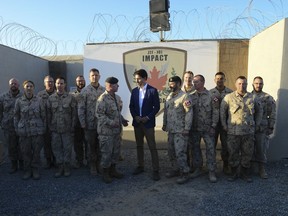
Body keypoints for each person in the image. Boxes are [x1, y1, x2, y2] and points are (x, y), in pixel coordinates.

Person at [220, 76, 262, 183]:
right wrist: (224, 125)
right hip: (233, 132)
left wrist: (256, 125)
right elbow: (222, 112)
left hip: (248, 132)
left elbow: (259, 111)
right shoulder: (228, 97)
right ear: (235, 84)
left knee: (247, 154)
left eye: (244, 84)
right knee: (233, 153)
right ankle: (234, 173)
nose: (241, 86)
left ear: (247, 85)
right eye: (239, 83)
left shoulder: (253, 98)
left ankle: (245, 174)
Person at [96, 77, 129, 183]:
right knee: (107, 153)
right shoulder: (102, 99)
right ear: (110, 86)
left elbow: (117, 113)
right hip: (106, 133)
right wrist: (111, 122)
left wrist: (122, 120)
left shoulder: (117, 98)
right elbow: (99, 114)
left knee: (115, 152)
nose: (118, 86)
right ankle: (105, 173)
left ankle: (113, 170)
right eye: (116, 85)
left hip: (116, 132)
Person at [129, 69, 160, 181]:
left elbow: (156, 107)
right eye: (136, 78)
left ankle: (156, 170)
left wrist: (148, 117)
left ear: (145, 78)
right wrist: (135, 116)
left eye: (139, 78)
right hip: (137, 123)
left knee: (152, 146)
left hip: (148, 123)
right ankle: (140, 166)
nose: (137, 80)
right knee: (139, 145)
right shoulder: (134, 91)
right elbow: (131, 106)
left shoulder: (152, 90)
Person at [162, 76, 193, 184]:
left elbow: (189, 113)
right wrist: (164, 124)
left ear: (179, 84)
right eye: (170, 83)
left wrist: (187, 128)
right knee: (171, 151)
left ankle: (185, 173)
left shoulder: (185, 96)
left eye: (173, 83)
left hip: (181, 130)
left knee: (180, 152)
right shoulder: (169, 96)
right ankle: (175, 169)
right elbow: (166, 111)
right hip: (171, 130)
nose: (171, 85)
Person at [14, 80, 46, 180]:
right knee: (25, 152)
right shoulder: (19, 101)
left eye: (31, 86)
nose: (29, 88)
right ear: (24, 88)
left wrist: (44, 128)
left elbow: (43, 115)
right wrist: (17, 129)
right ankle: (27, 170)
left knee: (36, 152)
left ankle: (35, 169)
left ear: (34, 88)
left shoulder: (39, 100)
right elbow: (16, 116)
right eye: (27, 86)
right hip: (24, 131)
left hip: (37, 130)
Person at [190, 75, 219, 183]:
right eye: (194, 82)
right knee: (195, 149)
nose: (194, 84)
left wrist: (213, 126)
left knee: (210, 149)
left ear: (203, 82)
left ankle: (211, 171)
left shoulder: (212, 96)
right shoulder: (191, 96)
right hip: (195, 128)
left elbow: (216, 112)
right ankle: (198, 168)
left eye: (196, 82)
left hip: (208, 128)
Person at [47, 77, 76, 178]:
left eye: (62, 83)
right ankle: (60, 166)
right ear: (55, 84)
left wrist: (72, 126)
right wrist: (50, 126)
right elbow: (48, 114)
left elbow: (74, 114)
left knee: (67, 148)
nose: (60, 85)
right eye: (58, 83)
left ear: (65, 85)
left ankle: (67, 166)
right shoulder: (50, 98)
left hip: (67, 128)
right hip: (55, 129)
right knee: (56, 148)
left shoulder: (70, 97)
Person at [78, 68, 105, 175]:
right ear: (89, 77)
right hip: (90, 124)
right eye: (92, 75)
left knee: (100, 145)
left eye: (96, 75)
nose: (94, 77)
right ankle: (92, 165)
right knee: (91, 145)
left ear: (99, 76)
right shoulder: (85, 91)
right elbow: (81, 108)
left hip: (102, 124)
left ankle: (99, 163)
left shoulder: (103, 90)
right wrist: (83, 123)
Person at [251, 76, 276, 179]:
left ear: (263, 84)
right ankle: (249, 168)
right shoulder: (248, 96)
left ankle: (262, 169)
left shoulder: (268, 97)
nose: (258, 85)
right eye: (256, 83)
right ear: (253, 84)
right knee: (249, 149)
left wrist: (271, 127)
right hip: (249, 128)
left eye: (260, 83)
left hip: (262, 128)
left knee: (261, 149)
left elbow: (272, 113)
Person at [209, 72, 233, 174]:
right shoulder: (210, 93)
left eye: (221, 78)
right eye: (217, 78)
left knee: (226, 146)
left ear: (225, 80)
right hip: (213, 125)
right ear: (214, 80)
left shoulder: (230, 93)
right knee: (211, 146)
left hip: (225, 124)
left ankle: (226, 165)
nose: (219, 80)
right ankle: (212, 166)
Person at [0, 78, 23, 173]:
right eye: (12, 83)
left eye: (15, 83)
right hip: (8, 126)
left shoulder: (23, 96)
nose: (13, 85)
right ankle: (14, 165)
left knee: (22, 146)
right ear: (9, 85)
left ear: (18, 85)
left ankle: (22, 164)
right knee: (11, 146)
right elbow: (0, 111)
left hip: (21, 126)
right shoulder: (3, 97)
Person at [37, 75, 56, 169]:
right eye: (48, 82)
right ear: (44, 83)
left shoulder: (58, 94)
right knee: (46, 143)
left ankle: (57, 160)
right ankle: (48, 160)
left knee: (56, 143)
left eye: (52, 81)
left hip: (56, 123)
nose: (50, 83)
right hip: (44, 123)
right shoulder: (39, 95)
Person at [71, 75, 87, 168]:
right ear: (76, 82)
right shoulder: (71, 94)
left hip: (88, 122)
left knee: (88, 143)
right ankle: (79, 160)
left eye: (82, 80)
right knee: (77, 143)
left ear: (84, 81)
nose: (80, 82)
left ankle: (89, 160)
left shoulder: (88, 91)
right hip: (76, 123)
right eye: (78, 81)